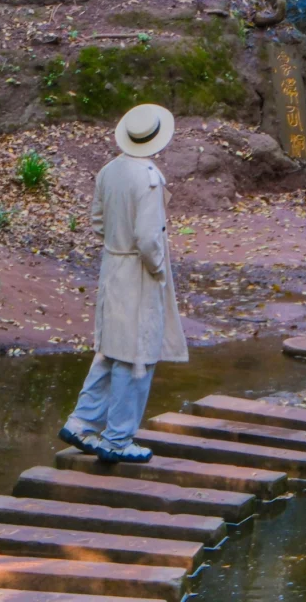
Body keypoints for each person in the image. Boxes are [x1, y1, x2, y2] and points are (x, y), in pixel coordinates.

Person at [59, 102, 188, 464]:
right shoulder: (148, 177)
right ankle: (118, 438)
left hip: (112, 266)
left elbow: (98, 222)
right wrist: (158, 269)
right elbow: (148, 238)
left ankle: (82, 421)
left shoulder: (109, 171)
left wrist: (117, 246)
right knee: (138, 354)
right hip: (137, 272)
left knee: (111, 348)